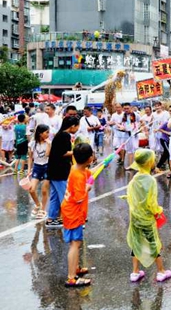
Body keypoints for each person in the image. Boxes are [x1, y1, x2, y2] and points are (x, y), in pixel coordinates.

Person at [124, 149, 171, 282]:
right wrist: (158, 211)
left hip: (135, 218)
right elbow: (151, 202)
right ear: (149, 162)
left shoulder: (134, 179)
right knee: (153, 243)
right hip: (147, 218)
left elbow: (130, 196)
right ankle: (161, 271)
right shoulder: (150, 180)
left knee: (136, 243)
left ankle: (135, 272)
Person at [61, 143, 95, 287]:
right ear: (90, 158)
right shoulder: (79, 176)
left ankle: (75, 268)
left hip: (70, 211)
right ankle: (71, 277)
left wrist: (94, 173)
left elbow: (89, 173)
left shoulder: (76, 168)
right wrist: (88, 185)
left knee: (76, 242)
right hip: (73, 212)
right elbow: (80, 197)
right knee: (75, 244)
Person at [46, 116, 80, 229]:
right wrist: (77, 151)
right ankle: (70, 220)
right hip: (60, 171)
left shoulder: (59, 135)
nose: (78, 128)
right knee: (65, 196)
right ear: (72, 126)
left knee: (55, 196)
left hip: (53, 170)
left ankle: (51, 219)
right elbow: (64, 153)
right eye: (77, 126)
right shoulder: (65, 136)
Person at [27, 124, 51, 219]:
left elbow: (47, 155)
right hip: (37, 167)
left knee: (44, 190)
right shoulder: (32, 143)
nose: (48, 134)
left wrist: (49, 144)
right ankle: (38, 204)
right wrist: (29, 169)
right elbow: (30, 157)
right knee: (31, 189)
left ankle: (43, 209)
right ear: (40, 133)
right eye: (46, 132)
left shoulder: (49, 142)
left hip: (47, 167)